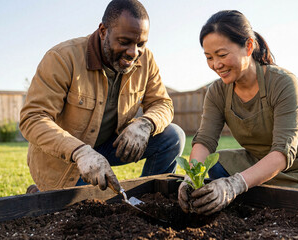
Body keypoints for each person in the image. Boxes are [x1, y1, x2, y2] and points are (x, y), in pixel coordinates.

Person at [178, 10, 298, 216]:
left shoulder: (283, 83)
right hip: (258, 163)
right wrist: (191, 177)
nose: (216, 64)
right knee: (216, 165)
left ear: (249, 46)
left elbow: (282, 153)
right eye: (209, 57)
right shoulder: (216, 92)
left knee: (286, 216)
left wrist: (235, 185)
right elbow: (205, 140)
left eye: (222, 55)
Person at [20, 0, 185, 193]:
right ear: (103, 31)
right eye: (124, 42)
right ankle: (40, 195)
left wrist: (145, 124)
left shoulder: (146, 59)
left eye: (140, 44)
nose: (133, 52)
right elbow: (32, 119)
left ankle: (149, 197)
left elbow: (162, 103)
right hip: (66, 160)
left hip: (110, 145)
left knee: (173, 136)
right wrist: (80, 152)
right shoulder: (62, 58)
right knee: (91, 210)